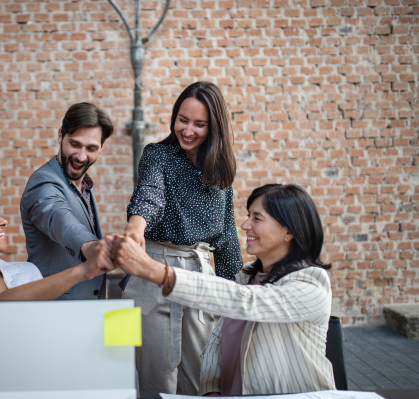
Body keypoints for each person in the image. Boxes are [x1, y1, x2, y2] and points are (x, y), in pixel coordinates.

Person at [111, 184, 336, 396]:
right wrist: (211, 389)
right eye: (248, 216)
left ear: (289, 232)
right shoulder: (247, 277)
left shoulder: (312, 283)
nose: (245, 225)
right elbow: (217, 341)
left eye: (257, 218)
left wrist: (158, 272)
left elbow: (246, 302)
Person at [120, 81, 242, 397]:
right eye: (182, 120)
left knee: (202, 377)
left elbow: (227, 239)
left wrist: (239, 298)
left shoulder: (221, 173)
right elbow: (150, 194)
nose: (187, 130)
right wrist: (136, 226)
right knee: (154, 375)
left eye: (199, 124)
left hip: (202, 276)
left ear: (214, 127)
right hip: (153, 271)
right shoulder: (158, 155)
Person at [20, 102, 114, 300]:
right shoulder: (43, 183)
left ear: (101, 147)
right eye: (75, 144)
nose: (81, 156)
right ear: (60, 135)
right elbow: (59, 218)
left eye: (91, 148)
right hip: (57, 306)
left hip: (86, 304)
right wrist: (89, 246)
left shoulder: (85, 185)